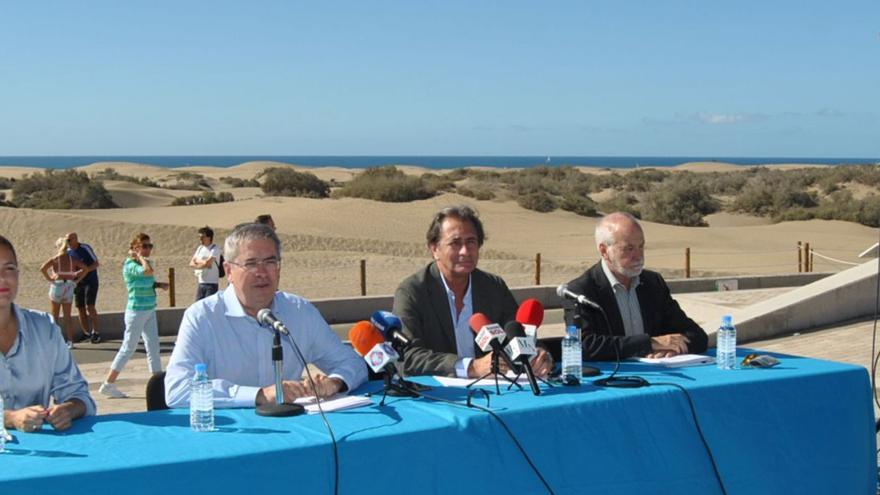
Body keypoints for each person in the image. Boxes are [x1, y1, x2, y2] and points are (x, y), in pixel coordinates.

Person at [164, 223, 366, 408]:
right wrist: (259, 395)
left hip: (295, 431)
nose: (262, 272)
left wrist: (335, 382)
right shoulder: (203, 317)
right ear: (228, 271)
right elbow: (177, 389)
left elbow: (353, 363)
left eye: (270, 262)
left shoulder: (299, 311)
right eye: (251, 263)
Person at [393, 205, 554, 378]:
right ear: (434, 249)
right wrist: (470, 367)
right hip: (439, 397)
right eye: (455, 243)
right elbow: (406, 357)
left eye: (471, 242)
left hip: (495, 392)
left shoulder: (493, 286)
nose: (465, 251)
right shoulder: (412, 292)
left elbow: (517, 331)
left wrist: (540, 354)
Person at [563, 212, 708, 361]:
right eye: (629, 248)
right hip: (611, 378)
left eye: (641, 246)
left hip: (660, 375)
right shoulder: (580, 291)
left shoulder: (653, 283)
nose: (638, 256)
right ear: (604, 251)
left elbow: (696, 335)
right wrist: (650, 343)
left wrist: (674, 349)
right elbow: (582, 346)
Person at [0, 235, 95, 431]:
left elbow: (78, 394)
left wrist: (68, 410)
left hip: (43, 455)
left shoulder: (44, 328)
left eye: (9, 269)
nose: (2, 278)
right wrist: (10, 418)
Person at [98, 233, 169, 399]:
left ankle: (158, 383)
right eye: (144, 246)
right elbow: (146, 271)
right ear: (135, 248)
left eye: (149, 246)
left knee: (153, 346)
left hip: (149, 309)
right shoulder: (130, 265)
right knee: (128, 348)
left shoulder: (143, 263)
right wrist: (139, 257)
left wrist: (158, 285)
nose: (148, 250)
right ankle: (108, 383)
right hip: (136, 311)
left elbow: (146, 280)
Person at [40, 237, 87, 348]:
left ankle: (54, 341)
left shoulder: (56, 259)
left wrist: (50, 279)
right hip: (69, 286)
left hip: (58, 285)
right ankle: (70, 341)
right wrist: (76, 279)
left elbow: (42, 268)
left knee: (55, 316)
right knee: (67, 317)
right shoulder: (72, 259)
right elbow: (85, 269)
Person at [66, 232, 101, 343]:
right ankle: (86, 332)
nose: (68, 243)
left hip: (91, 281)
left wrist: (85, 271)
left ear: (75, 239)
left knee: (90, 306)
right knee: (80, 307)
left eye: (69, 240)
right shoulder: (68, 252)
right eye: (67, 240)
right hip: (78, 283)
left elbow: (96, 263)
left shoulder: (85, 248)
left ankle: (96, 332)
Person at [189, 226, 222, 301]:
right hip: (201, 282)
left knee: (209, 307)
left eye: (202, 237)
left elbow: (208, 264)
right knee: (198, 306)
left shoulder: (215, 249)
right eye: (199, 237)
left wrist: (198, 261)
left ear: (209, 237)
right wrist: (203, 263)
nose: (200, 239)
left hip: (211, 283)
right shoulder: (200, 248)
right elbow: (191, 263)